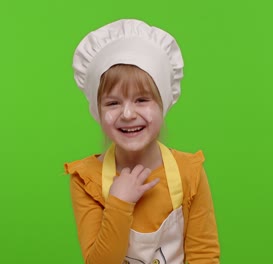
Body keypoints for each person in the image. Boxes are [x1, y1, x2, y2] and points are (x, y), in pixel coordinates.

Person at [64, 19, 220, 264]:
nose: (127, 114)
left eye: (141, 100)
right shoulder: (87, 180)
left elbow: (204, 255)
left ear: (163, 103)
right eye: (113, 103)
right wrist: (118, 202)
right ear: (97, 111)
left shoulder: (189, 173)